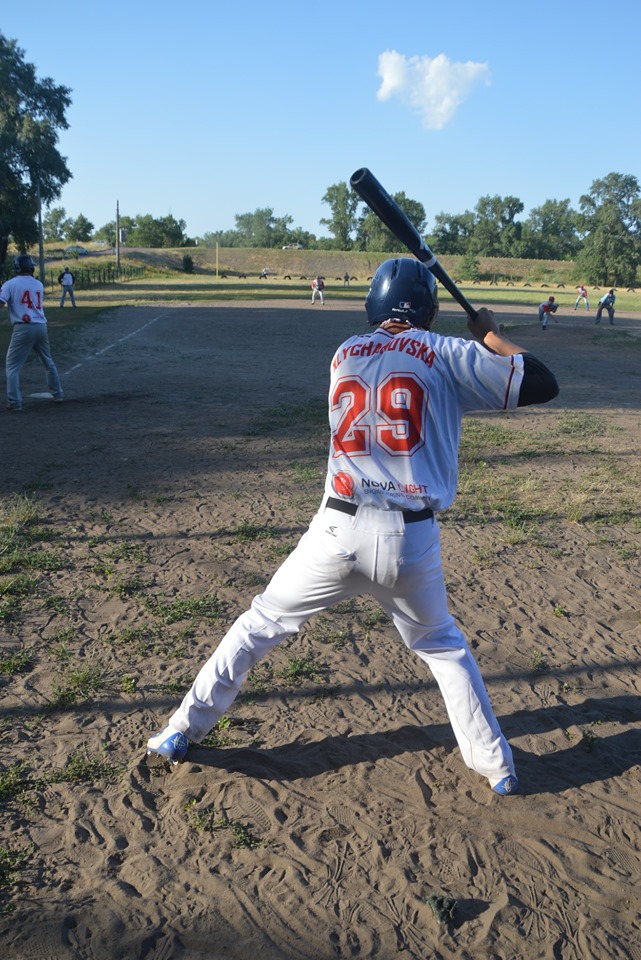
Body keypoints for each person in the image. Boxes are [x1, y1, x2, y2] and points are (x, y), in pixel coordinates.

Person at [147, 257, 559, 796]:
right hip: (411, 540)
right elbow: (544, 382)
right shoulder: (449, 354)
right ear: (430, 309)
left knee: (258, 625)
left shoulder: (344, 352)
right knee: (442, 649)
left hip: (335, 531)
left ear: (374, 305)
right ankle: (496, 767)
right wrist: (491, 338)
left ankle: (180, 731)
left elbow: (392, 358)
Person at [1, 254, 64, 411]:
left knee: (12, 366)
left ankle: (14, 402)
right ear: (30, 268)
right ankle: (58, 394)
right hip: (41, 326)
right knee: (48, 361)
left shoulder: (9, 284)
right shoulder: (38, 284)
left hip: (23, 328)